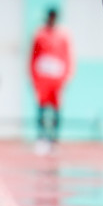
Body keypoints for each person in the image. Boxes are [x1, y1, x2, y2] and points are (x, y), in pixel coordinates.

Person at [30, 8, 74, 153]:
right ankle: (41, 138)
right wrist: (33, 76)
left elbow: (67, 56)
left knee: (56, 109)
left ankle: (54, 139)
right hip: (42, 76)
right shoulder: (39, 33)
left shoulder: (63, 34)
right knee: (42, 108)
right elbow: (33, 56)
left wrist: (67, 76)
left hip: (57, 77)